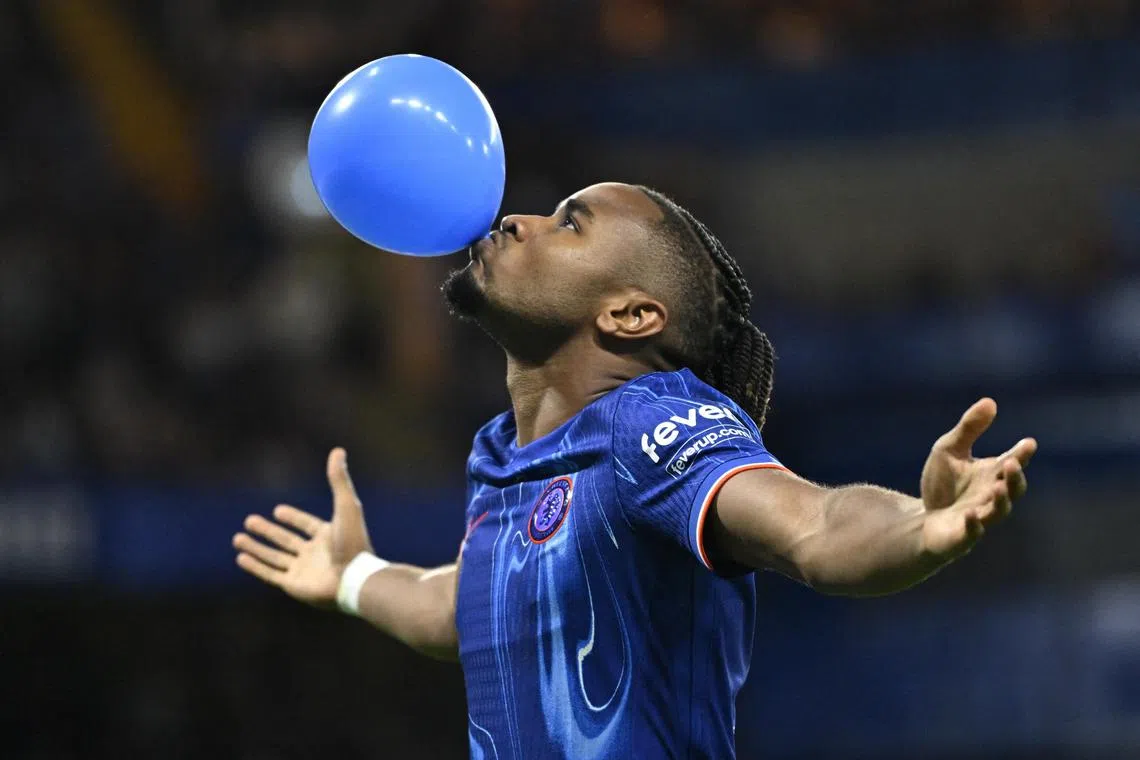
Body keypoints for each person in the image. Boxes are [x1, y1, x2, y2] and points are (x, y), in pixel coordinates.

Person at [231, 182, 1036, 759]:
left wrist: (915, 528)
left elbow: (813, 525)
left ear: (629, 315)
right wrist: (353, 576)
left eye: (567, 226)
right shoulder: (499, 457)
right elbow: (468, 606)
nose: (517, 220)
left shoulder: (651, 422)